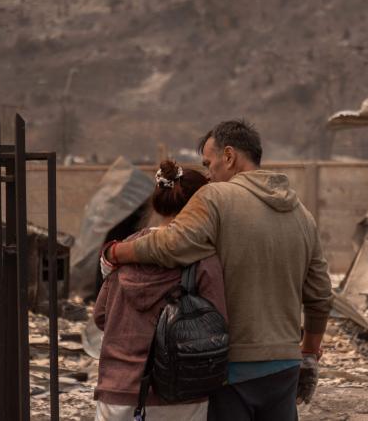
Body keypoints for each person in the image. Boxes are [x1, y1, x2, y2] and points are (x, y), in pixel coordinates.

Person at [104, 119, 333, 421]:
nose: (209, 175)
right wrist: (308, 353)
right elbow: (320, 295)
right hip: (285, 368)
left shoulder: (216, 198)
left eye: (209, 164)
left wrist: (116, 251)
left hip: (231, 370)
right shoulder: (302, 214)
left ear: (229, 156)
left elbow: (172, 243)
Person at [94, 160, 227, 421]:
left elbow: (101, 317)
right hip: (182, 395)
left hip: (118, 391)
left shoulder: (124, 252)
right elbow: (219, 323)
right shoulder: (203, 258)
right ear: (201, 206)